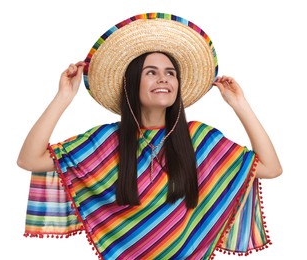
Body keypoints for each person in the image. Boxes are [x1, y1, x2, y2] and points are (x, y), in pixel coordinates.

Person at [17, 13, 282, 259]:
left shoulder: (199, 139)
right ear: (133, 82)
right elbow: (30, 159)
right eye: (151, 72)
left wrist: (240, 104)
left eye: (170, 73)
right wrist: (63, 97)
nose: (163, 79)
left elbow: (270, 168)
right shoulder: (107, 141)